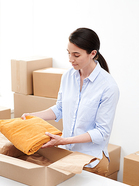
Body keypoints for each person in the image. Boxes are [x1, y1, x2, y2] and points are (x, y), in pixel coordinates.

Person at [21, 27, 119, 176]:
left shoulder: (108, 87)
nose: (70, 59)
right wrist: (33, 116)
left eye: (76, 55)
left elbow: (102, 132)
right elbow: (60, 108)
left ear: (92, 54)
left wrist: (64, 140)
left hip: (91, 161)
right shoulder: (68, 76)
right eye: (68, 53)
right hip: (67, 156)